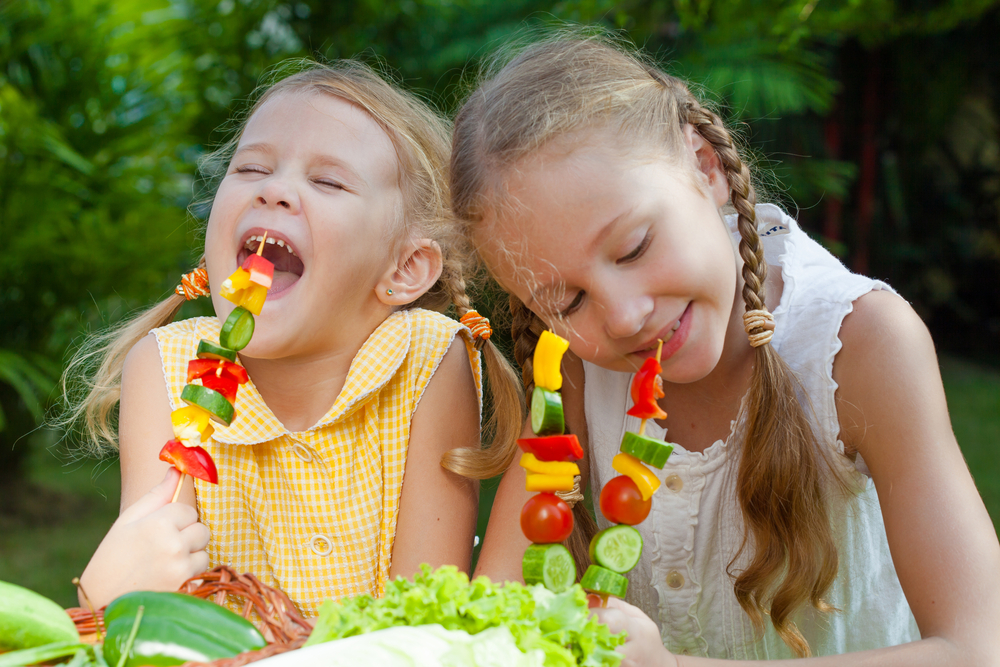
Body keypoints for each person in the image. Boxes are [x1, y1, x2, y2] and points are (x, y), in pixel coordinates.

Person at [450, 36, 1000, 664]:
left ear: (705, 166)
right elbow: (494, 614)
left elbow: (977, 647)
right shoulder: (573, 368)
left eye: (633, 248)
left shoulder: (860, 344)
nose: (624, 317)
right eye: (567, 300)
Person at [65, 60, 523, 615]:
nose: (275, 191)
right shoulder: (167, 367)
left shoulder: (428, 359)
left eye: (328, 180)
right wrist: (103, 595)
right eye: (252, 169)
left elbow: (423, 614)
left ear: (405, 269)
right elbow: (155, 594)